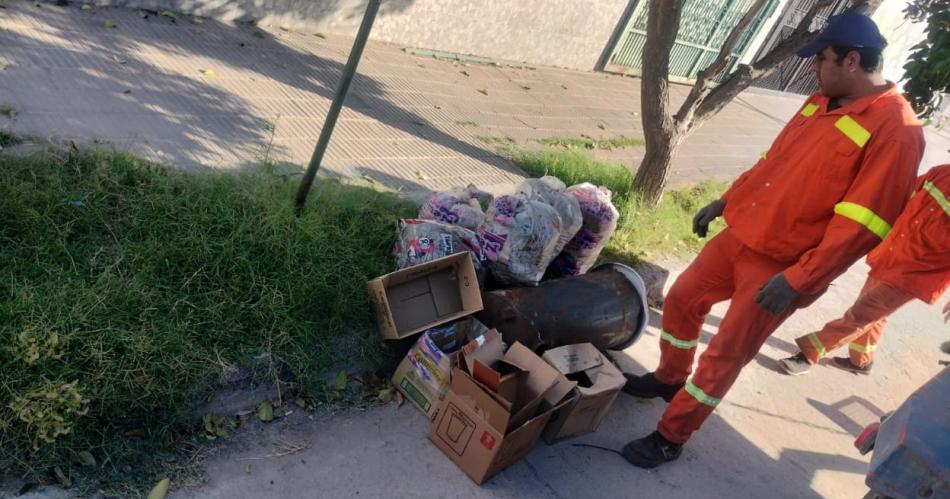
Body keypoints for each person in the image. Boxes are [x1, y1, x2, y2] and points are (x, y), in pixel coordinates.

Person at [620, 12, 925, 469]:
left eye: (821, 59)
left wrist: (800, 279)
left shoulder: (896, 132)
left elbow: (861, 226)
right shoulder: (821, 100)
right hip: (743, 233)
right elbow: (773, 163)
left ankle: (671, 435)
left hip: (783, 266)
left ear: (852, 60)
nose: (813, 69)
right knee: (683, 298)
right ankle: (669, 377)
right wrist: (726, 200)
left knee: (727, 351)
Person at [779, 164, 950, 376]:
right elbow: (903, 194)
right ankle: (861, 361)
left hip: (918, 275)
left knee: (863, 313)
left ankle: (808, 353)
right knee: (874, 312)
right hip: (892, 254)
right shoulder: (941, 172)